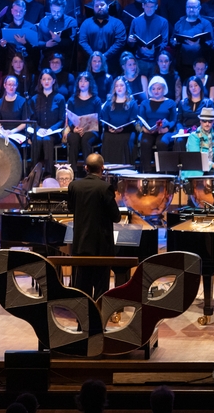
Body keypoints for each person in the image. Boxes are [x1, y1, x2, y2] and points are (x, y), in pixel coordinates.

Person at [68, 154, 121, 300]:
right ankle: (98, 314)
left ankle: (82, 315)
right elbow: (116, 217)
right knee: (100, 289)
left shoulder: (74, 186)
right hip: (101, 248)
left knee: (82, 288)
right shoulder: (105, 188)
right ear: (102, 168)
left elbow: (71, 208)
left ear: (86, 168)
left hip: (80, 245)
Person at [181, 107, 214, 178]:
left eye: (210, 121)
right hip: (195, 174)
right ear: (200, 121)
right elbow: (196, 158)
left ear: (213, 121)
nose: (207, 124)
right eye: (204, 121)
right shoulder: (194, 136)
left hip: (209, 172)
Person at [78, 0, 126, 73]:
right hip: (91, 67)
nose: (99, 7)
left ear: (108, 6)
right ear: (93, 8)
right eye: (96, 6)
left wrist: (104, 56)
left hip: (112, 66)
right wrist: (94, 58)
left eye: (102, 5)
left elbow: (120, 42)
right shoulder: (86, 23)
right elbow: (82, 42)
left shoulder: (117, 23)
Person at [30, 69, 66, 175]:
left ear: (53, 81)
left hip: (53, 132)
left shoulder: (60, 98)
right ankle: (34, 173)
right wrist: (38, 129)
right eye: (44, 79)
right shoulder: (34, 99)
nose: (46, 81)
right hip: (38, 131)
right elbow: (31, 119)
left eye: (49, 79)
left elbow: (62, 119)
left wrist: (51, 129)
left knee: (47, 140)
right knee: (36, 140)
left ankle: (48, 173)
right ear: (40, 81)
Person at [138, 76, 176, 173]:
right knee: (145, 142)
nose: (156, 91)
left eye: (159, 89)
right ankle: (146, 172)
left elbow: (173, 120)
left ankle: (163, 172)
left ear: (164, 89)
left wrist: (167, 128)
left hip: (164, 130)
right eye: (153, 89)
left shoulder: (170, 102)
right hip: (148, 130)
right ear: (150, 90)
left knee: (162, 142)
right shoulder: (145, 103)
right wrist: (144, 129)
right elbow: (141, 119)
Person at [66, 72, 102, 173]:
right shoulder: (72, 100)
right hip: (76, 129)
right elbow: (69, 118)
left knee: (86, 139)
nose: (82, 83)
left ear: (90, 83)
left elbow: (98, 118)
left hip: (91, 130)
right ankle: (72, 171)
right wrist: (74, 128)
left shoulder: (96, 100)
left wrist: (85, 128)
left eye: (85, 81)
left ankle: (89, 171)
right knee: (73, 139)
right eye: (80, 81)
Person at [172, 0, 214, 81]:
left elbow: (210, 42)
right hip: (183, 65)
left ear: (199, 8)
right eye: (189, 7)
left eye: (194, 7)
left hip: (201, 66)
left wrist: (199, 45)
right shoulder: (179, 23)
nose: (191, 9)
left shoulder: (205, 23)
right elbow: (172, 39)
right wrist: (175, 42)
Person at [128, 0, 168, 78]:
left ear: (156, 7)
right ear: (143, 5)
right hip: (140, 60)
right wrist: (131, 40)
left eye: (152, 7)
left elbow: (165, 41)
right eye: (147, 6)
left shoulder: (163, 22)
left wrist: (154, 50)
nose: (149, 9)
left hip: (156, 60)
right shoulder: (136, 21)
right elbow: (130, 43)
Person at [100, 76, 138, 164]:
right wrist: (109, 128)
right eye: (116, 86)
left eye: (121, 85)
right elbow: (105, 120)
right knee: (107, 138)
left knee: (124, 139)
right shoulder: (108, 103)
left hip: (127, 131)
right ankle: (108, 167)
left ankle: (126, 166)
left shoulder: (132, 103)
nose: (119, 88)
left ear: (126, 87)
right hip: (110, 131)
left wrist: (123, 129)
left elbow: (133, 121)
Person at [175, 76, 214, 151]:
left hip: (202, 131)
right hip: (186, 132)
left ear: (200, 86)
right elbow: (179, 121)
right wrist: (180, 129)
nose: (193, 88)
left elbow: (211, 121)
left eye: (196, 85)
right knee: (179, 141)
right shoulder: (182, 103)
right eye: (191, 86)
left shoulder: (208, 103)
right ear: (188, 89)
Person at [37, 0, 78, 69]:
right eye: (53, 11)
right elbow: (37, 42)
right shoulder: (44, 21)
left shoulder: (71, 21)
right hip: (47, 61)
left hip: (65, 62)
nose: (56, 13)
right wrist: (46, 44)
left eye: (59, 11)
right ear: (50, 8)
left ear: (64, 9)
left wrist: (60, 40)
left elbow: (73, 43)